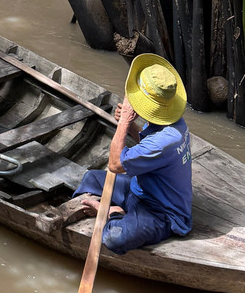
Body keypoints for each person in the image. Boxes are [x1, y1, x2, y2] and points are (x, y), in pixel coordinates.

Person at [74, 53, 192, 255]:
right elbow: (147, 145)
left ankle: (114, 214)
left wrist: (124, 123)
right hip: (141, 190)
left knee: (114, 238)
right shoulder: (172, 123)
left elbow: (114, 165)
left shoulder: (165, 141)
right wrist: (131, 128)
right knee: (91, 178)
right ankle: (113, 210)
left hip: (161, 212)